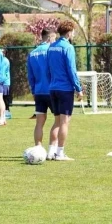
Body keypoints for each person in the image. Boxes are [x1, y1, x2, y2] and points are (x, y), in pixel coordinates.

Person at [46, 20, 83, 161]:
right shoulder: (68, 47)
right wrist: (78, 89)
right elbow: (71, 70)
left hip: (53, 88)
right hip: (65, 89)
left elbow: (48, 69)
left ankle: (51, 152)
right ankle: (60, 153)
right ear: (69, 33)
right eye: (73, 32)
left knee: (56, 121)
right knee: (64, 122)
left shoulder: (51, 47)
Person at [27, 28, 59, 160]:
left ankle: (38, 149)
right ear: (50, 38)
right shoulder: (51, 52)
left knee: (39, 122)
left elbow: (30, 75)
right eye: (55, 38)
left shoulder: (32, 53)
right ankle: (52, 150)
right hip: (51, 90)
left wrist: (34, 90)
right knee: (59, 121)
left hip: (39, 91)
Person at [1, 50, 12, 119]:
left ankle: (7, 112)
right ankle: (4, 112)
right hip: (3, 81)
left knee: (5, 97)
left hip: (5, 82)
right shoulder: (2, 60)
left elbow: (1, 71)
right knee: (2, 97)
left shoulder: (5, 60)